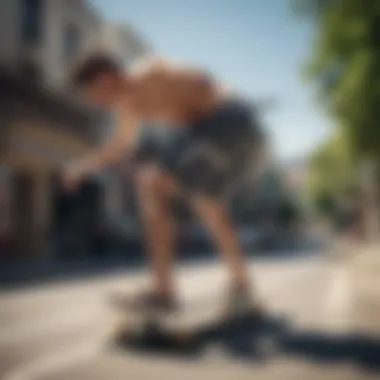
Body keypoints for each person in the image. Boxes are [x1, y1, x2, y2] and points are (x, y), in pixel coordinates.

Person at [63, 54, 264, 315]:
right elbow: (120, 147)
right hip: (229, 132)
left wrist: (204, 87)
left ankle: (163, 292)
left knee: (151, 184)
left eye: (93, 93)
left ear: (105, 78)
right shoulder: (130, 106)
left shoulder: (149, 73)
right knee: (208, 205)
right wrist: (81, 166)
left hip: (224, 121)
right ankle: (241, 283)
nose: (95, 101)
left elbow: (197, 78)